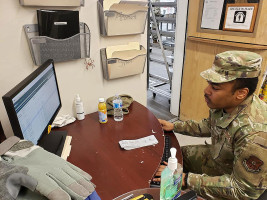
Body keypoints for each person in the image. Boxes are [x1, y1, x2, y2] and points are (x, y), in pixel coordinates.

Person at [158, 51, 267, 199]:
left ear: (241, 93)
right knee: (177, 156)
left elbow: (243, 190)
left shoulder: (254, 135)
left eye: (215, 88)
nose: (206, 91)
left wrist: (186, 179)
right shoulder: (226, 104)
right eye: (209, 84)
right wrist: (175, 127)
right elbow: (209, 125)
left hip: (239, 180)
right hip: (222, 159)